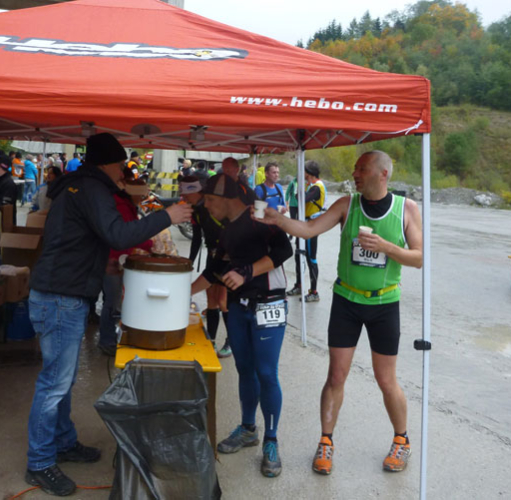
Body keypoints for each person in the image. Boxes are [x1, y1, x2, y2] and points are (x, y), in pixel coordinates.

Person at [24, 132, 192, 497]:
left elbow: (78, 239)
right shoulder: (92, 188)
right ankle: (39, 462)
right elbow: (117, 234)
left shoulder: (77, 187)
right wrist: (166, 215)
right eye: (120, 164)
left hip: (60, 291)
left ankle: (63, 441)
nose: (122, 171)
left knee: (62, 379)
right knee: (54, 384)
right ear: (106, 163)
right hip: (60, 297)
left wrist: (103, 265)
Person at [256, 151, 423, 475]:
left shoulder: (406, 209)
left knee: (386, 379)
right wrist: (278, 220)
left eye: (362, 169)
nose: (355, 173)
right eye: (355, 168)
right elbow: (308, 229)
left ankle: (402, 440)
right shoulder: (347, 205)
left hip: (384, 304)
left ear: (383, 174)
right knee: (336, 376)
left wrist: (386, 247)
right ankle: (326, 441)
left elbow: (418, 258)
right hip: (347, 301)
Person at [190, 174, 293, 478]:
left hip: (269, 303)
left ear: (227, 198)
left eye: (210, 200)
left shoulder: (260, 217)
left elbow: (283, 252)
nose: (206, 206)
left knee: (266, 373)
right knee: (245, 370)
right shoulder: (226, 229)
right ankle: (248, 428)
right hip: (238, 306)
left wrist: (247, 272)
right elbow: (215, 269)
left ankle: (271, 440)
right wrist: (179, 293)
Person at [98, 177, 154, 357]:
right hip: (112, 260)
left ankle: (112, 336)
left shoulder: (126, 205)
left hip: (117, 258)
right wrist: (150, 244)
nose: (142, 198)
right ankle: (107, 341)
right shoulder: (121, 207)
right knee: (112, 303)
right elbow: (128, 233)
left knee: (114, 301)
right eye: (141, 195)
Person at [180, 176, 230, 356]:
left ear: (194, 191)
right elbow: (196, 237)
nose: (182, 197)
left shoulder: (211, 205)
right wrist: (190, 262)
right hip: (212, 254)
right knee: (211, 301)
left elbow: (228, 230)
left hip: (226, 257)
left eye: (185, 194)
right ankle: (212, 340)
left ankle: (231, 341)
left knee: (223, 301)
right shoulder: (196, 210)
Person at [287, 161, 327, 302]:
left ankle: (314, 291)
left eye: (303, 172)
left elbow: (302, 198)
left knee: (311, 258)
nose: (301, 174)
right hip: (303, 224)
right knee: (298, 255)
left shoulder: (317, 187)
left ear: (309, 173)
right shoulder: (309, 185)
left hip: (312, 226)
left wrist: (300, 188)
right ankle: (299, 285)